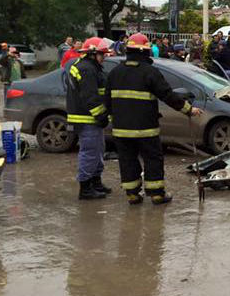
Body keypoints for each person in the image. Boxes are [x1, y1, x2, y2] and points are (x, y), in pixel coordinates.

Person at [105, 33, 202, 204]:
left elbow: (107, 101)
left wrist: (111, 119)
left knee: (127, 160)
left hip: (121, 129)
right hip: (146, 129)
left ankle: (132, 194)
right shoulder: (150, 72)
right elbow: (168, 95)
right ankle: (157, 194)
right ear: (144, 52)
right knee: (152, 159)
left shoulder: (115, 73)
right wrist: (188, 110)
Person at [65, 37, 113, 200]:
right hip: (86, 118)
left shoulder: (89, 67)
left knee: (98, 150)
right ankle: (85, 188)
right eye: (102, 54)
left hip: (88, 117)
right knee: (90, 152)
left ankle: (95, 182)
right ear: (93, 53)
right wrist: (101, 115)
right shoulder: (87, 69)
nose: (104, 57)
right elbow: (90, 96)